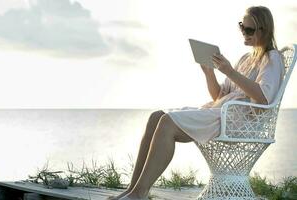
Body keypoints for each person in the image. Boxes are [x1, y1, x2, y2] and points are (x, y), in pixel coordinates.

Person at [107, 6, 285, 200]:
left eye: (249, 30)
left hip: (237, 120)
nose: (244, 32)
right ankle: (132, 190)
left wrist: (229, 71)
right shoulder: (246, 59)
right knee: (156, 116)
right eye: (242, 27)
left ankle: (138, 195)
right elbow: (218, 95)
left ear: (264, 30)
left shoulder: (272, 58)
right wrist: (209, 73)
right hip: (221, 111)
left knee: (167, 122)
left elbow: (263, 97)